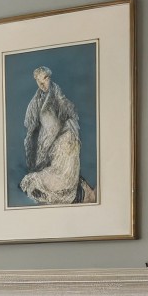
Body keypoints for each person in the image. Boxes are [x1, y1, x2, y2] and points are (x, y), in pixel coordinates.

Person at [20, 64, 96, 204]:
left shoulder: (57, 96)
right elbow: (33, 127)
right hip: (51, 146)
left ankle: (78, 190)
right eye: (38, 81)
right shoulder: (37, 100)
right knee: (36, 178)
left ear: (49, 77)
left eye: (45, 79)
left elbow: (65, 114)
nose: (42, 84)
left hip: (64, 144)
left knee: (59, 178)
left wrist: (58, 138)